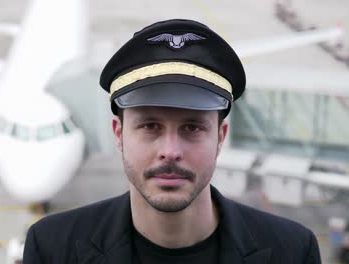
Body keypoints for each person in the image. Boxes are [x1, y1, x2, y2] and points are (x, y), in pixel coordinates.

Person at [23, 19, 321, 263]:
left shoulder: (293, 252)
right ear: (118, 134)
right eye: (150, 126)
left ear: (220, 138)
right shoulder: (52, 249)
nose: (170, 151)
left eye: (192, 128)